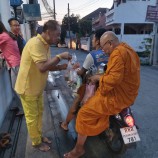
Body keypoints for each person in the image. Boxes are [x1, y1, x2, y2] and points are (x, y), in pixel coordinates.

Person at [64, 31, 140, 158]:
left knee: (83, 113)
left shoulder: (117, 53)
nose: (103, 50)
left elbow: (112, 80)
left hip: (116, 97)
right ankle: (103, 126)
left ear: (110, 43)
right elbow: (118, 74)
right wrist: (101, 76)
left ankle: (78, 149)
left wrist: (98, 79)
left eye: (104, 46)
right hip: (129, 95)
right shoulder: (128, 49)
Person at [15, 20, 71, 152]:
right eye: (56, 35)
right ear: (47, 32)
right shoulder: (35, 43)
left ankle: (38, 136)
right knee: (32, 118)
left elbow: (47, 66)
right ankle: (36, 142)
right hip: (27, 88)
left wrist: (60, 67)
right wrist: (59, 56)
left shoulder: (45, 45)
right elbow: (42, 67)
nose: (58, 38)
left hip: (37, 88)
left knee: (39, 113)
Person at [60, 28, 108, 131]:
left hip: (94, 87)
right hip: (109, 86)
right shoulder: (112, 53)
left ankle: (65, 124)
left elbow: (82, 72)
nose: (92, 40)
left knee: (76, 102)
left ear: (99, 41)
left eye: (94, 38)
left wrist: (75, 69)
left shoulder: (92, 55)